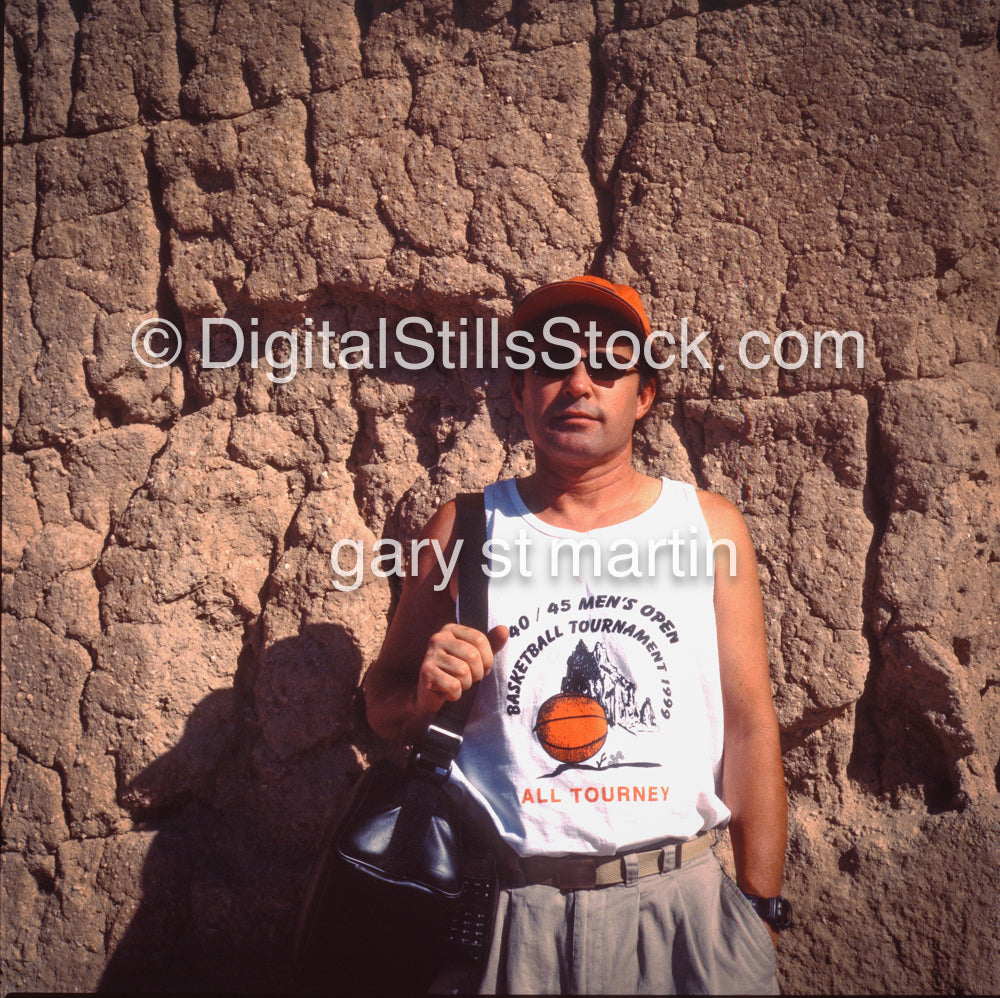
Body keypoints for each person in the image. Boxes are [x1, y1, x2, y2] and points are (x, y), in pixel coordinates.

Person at [364, 276, 789, 994]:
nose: (578, 384)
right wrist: (425, 693)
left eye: (606, 366)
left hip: (681, 914)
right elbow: (380, 704)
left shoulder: (707, 529)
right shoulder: (462, 528)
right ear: (521, 393)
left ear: (643, 395)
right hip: (505, 919)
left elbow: (750, 725)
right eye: (553, 364)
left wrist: (760, 910)